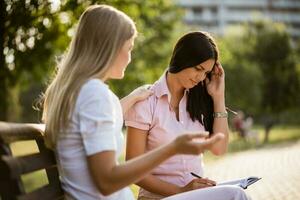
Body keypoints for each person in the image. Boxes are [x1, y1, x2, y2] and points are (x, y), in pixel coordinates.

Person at [41, 5, 225, 200]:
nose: (129, 58)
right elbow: (107, 181)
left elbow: (98, 122)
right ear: (109, 48)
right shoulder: (94, 95)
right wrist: (174, 147)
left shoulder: (78, 93)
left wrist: (133, 97)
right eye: (128, 48)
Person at [125, 31, 250, 200]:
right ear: (183, 59)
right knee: (237, 195)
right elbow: (133, 171)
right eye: (198, 69)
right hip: (157, 198)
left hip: (196, 196)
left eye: (206, 73)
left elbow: (219, 149)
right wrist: (181, 191)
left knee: (236, 193)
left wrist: (218, 97)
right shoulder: (146, 100)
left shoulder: (198, 100)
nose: (200, 77)